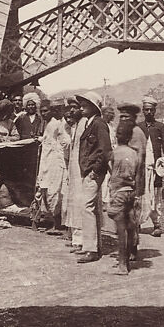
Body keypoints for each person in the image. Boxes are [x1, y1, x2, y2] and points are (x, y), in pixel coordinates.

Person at [75, 90, 112, 263]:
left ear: (94, 107)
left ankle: (91, 249)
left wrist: (95, 170)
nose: (81, 107)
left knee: (87, 207)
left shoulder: (98, 124)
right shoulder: (89, 123)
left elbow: (105, 151)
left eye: (85, 104)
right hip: (88, 171)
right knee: (92, 208)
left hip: (92, 172)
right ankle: (95, 247)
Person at [107, 116, 146, 274]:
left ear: (117, 135)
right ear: (130, 137)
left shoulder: (114, 153)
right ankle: (129, 258)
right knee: (130, 228)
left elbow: (110, 169)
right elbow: (138, 175)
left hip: (118, 193)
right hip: (131, 193)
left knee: (120, 230)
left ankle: (122, 265)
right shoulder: (134, 154)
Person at [137, 96, 164, 235]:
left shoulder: (160, 127)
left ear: (155, 111)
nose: (149, 112)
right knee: (140, 195)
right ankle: (138, 222)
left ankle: (156, 224)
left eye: (151, 110)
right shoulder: (138, 127)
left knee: (156, 195)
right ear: (143, 111)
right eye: (147, 110)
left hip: (156, 168)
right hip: (142, 168)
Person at [33, 97, 68, 230]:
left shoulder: (57, 124)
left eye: (46, 111)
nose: (43, 114)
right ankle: (51, 220)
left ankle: (56, 223)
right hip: (46, 161)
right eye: (41, 111)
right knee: (45, 189)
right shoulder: (48, 124)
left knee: (55, 192)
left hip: (55, 162)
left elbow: (64, 142)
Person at [61, 99, 85, 251]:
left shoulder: (83, 125)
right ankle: (75, 237)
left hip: (81, 170)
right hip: (73, 169)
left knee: (80, 203)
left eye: (75, 108)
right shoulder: (74, 127)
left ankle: (81, 240)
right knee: (73, 203)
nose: (71, 111)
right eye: (70, 108)